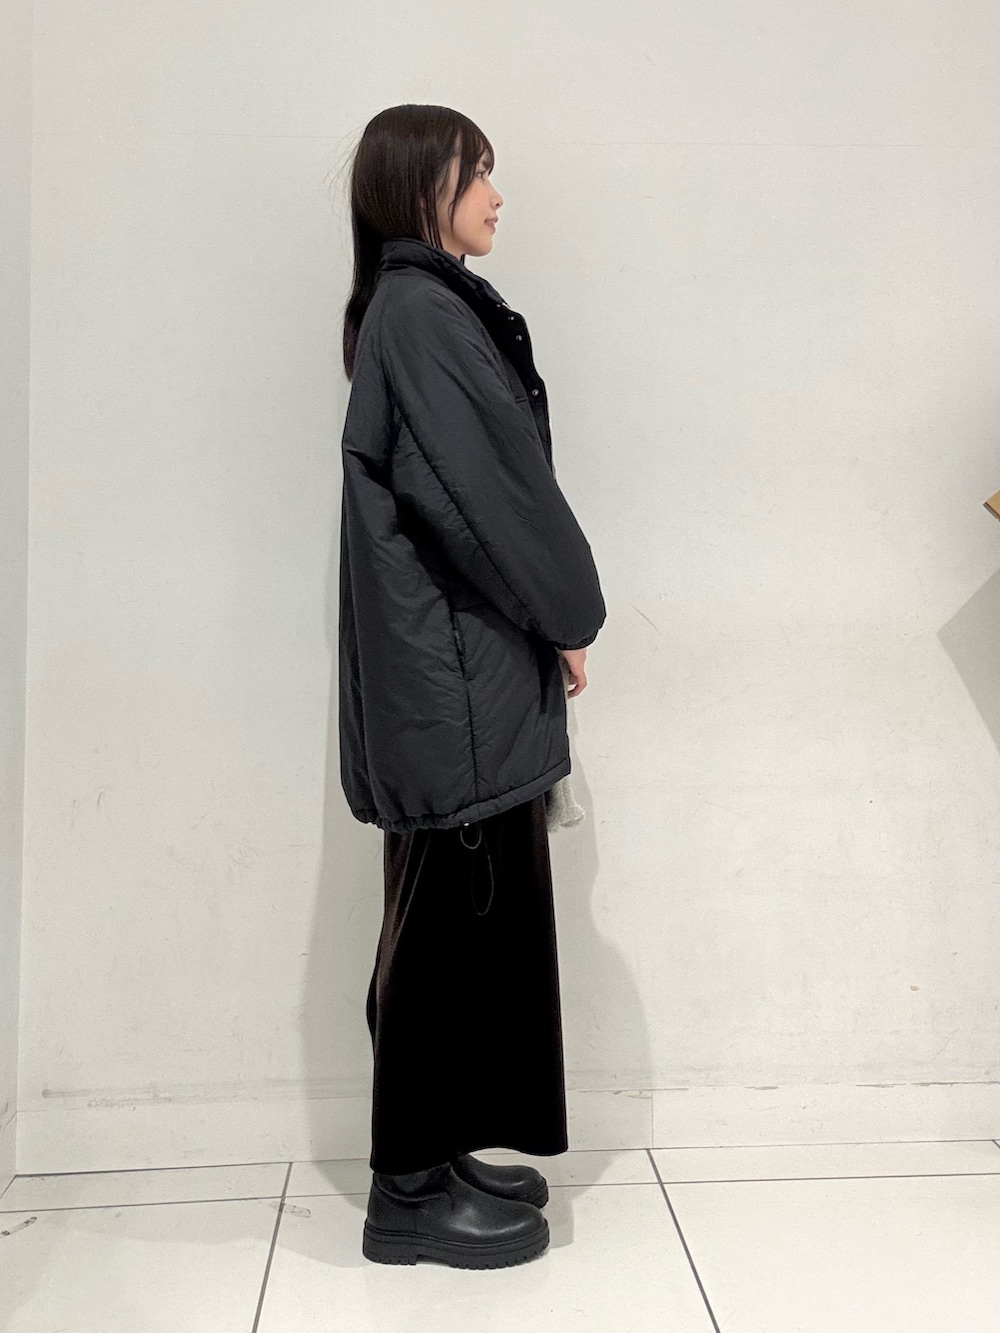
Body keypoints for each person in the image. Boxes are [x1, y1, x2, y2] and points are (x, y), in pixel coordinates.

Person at [337, 104, 606, 1269]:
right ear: (423, 186)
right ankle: (404, 1194)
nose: (497, 194)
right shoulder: (423, 314)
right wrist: (567, 611)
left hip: (451, 669)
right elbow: (488, 494)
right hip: (453, 676)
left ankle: (436, 1154)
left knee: (451, 919)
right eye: (479, 171)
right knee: (444, 932)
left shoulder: (413, 308)